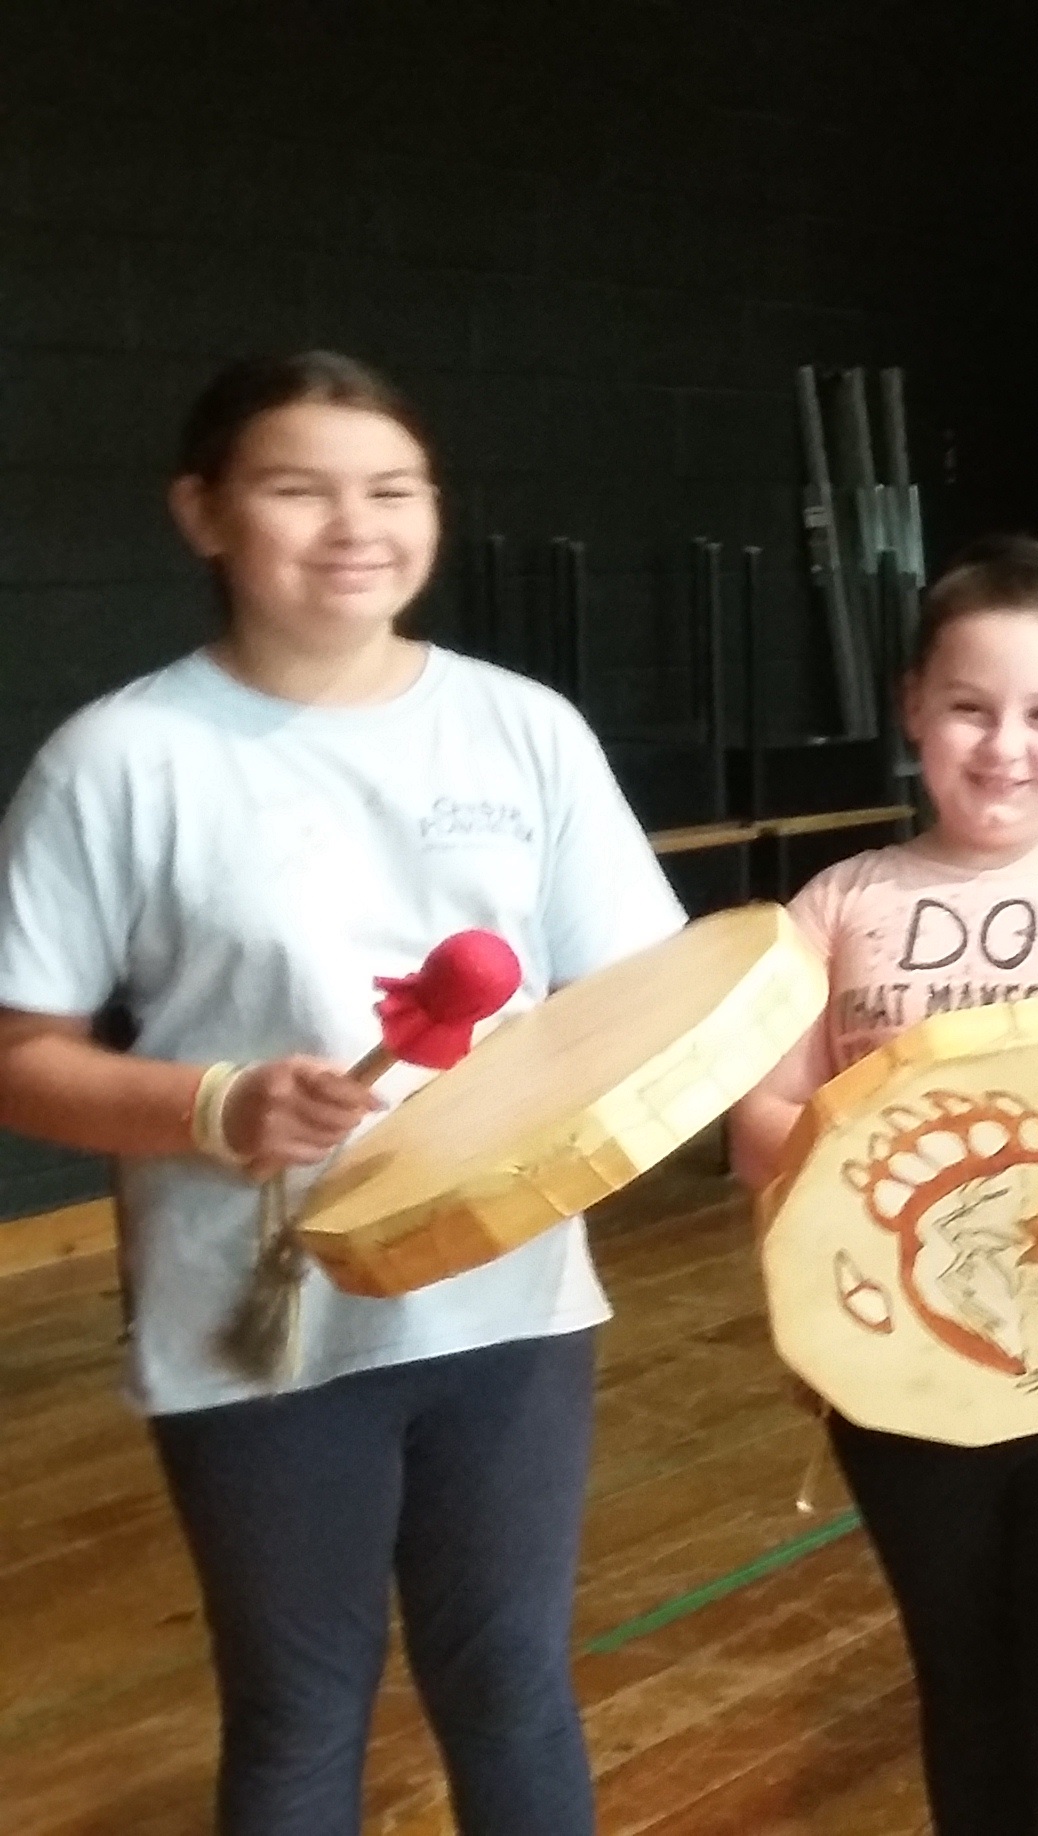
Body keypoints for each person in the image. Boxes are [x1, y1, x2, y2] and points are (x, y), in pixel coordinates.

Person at [0, 351, 683, 1834]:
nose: (354, 527)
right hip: (258, 1317)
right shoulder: (120, 760)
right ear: (203, 514)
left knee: (512, 1687)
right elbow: (22, 1056)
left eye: (392, 489)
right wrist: (213, 1107)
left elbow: (641, 999)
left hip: (509, 1305)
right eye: (298, 490)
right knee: (300, 1711)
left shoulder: (525, 731)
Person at [726, 535, 1038, 1836]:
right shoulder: (835, 904)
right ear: (913, 707)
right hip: (898, 1367)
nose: (1005, 746)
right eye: (969, 707)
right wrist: (895, 1159)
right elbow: (758, 1123)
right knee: (967, 1694)